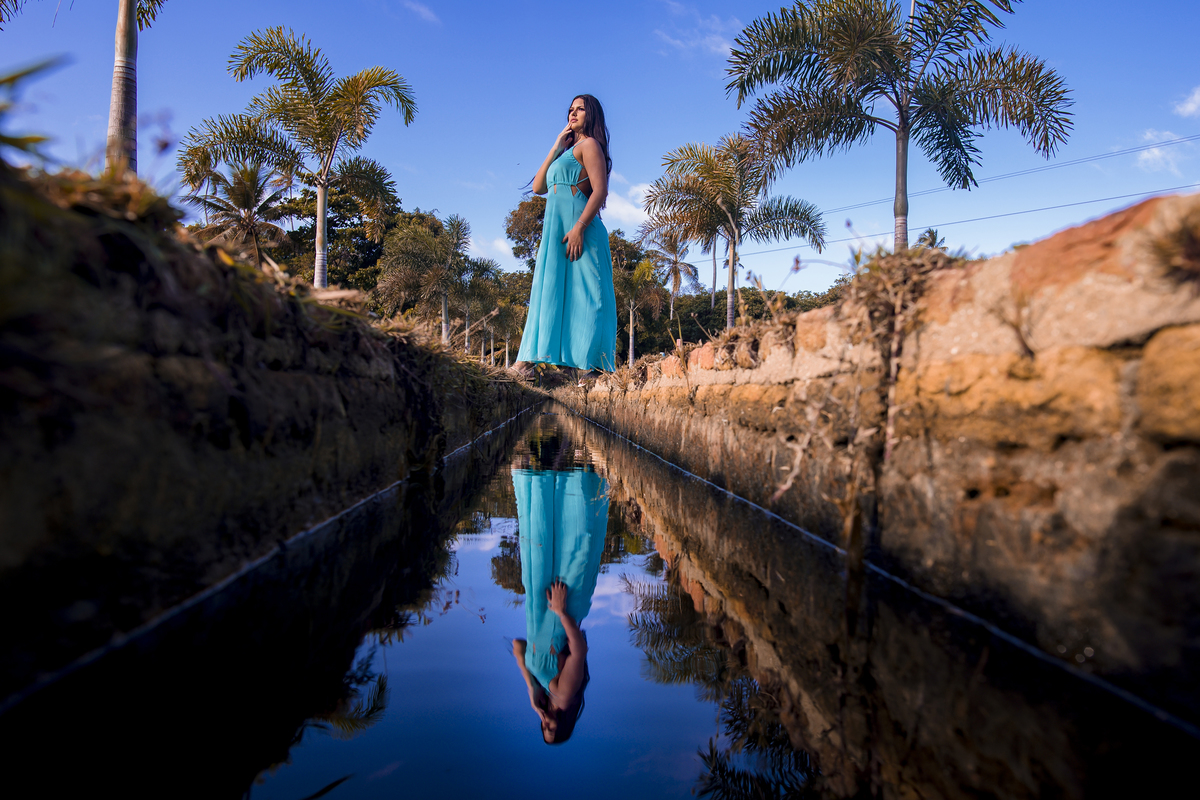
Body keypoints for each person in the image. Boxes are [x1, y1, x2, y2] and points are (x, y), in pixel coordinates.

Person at [511, 95, 618, 378]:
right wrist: (557, 145)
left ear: (591, 114)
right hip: (557, 232)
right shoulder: (567, 150)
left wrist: (579, 228)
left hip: (581, 230)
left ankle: (592, 369)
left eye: (580, 109)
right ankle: (527, 363)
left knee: (588, 296)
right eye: (570, 109)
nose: (573, 113)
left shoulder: (590, 145)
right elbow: (537, 187)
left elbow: (600, 191)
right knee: (549, 292)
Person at [509, 466, 608, 744]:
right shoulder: (564, 696)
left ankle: (551, 471)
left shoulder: (544, 690)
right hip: (560, 606)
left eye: (543, 729)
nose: (545, 725)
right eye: (551, 729)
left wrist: (531, 692)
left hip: (542, 604)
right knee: (575, 541)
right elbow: (578, 652)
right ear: (563, 725)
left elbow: (519, 648)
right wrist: (562, 611)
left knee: (541, 537)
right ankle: (579, 473)